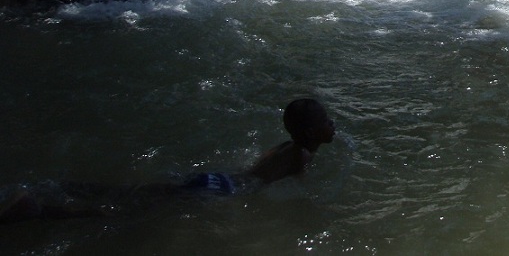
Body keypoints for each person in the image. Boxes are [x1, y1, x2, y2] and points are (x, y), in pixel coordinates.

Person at [0, 99, 335, 224]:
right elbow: (298, 193)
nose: (331, 124)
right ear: (310, 132)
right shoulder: (302, 155)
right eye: (326, 120)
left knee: (136, 195)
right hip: (222, 192)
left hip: (216, 179)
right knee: (128, 211)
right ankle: (39, 211)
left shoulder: (283, 146)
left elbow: (257, 171)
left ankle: (63, 188)